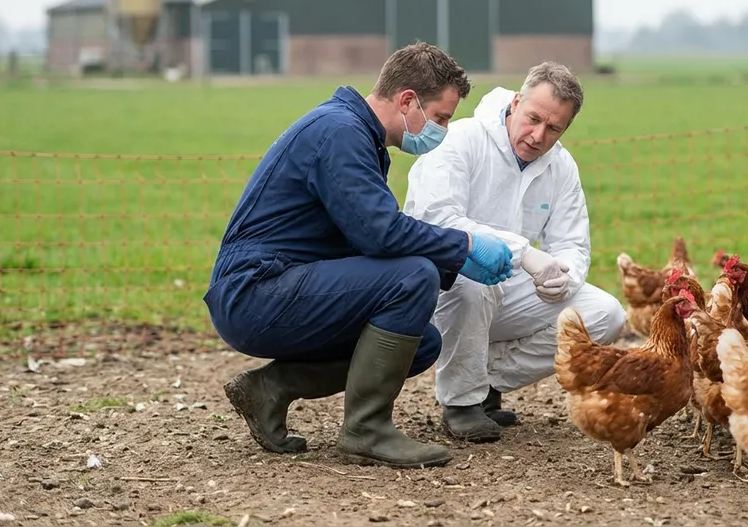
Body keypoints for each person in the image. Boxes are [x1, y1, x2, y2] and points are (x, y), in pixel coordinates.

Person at [203, 42, 515, 470]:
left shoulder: (354, 132)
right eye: (440, 117)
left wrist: (451, 263)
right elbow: (381, 233)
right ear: (407, 100)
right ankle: (366, 431)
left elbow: (366, 239)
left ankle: (270, 388)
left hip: (276, 286)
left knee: (422, 344)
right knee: (413, 277)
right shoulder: (341, 133)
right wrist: (463, 247)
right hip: (257, 292)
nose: (442, 130)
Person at [403, 61, 627, 443]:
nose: (538, 135)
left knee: (606, 316)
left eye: (553, 128)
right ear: (517, 102)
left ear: (566, 128)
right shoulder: (461, 140)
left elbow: (572, 242)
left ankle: (484, 381)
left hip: (512, 286)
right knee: (474, 282)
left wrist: (565, 276)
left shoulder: (561, 167)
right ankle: (460, 402)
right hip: (441, 284)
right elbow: (438, 219)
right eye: (533, 118)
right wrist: (524, 252)